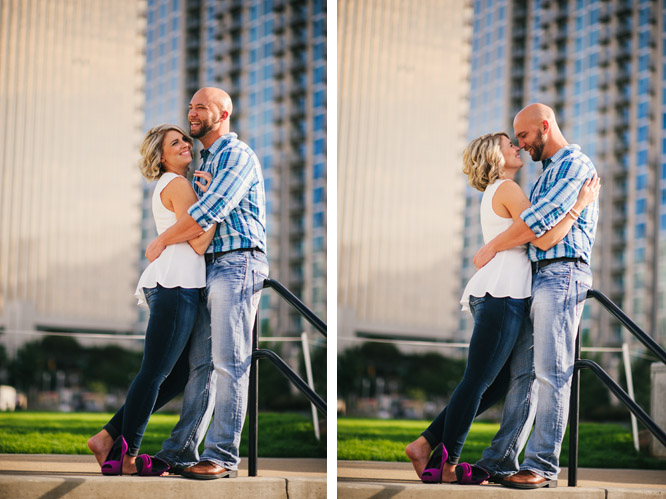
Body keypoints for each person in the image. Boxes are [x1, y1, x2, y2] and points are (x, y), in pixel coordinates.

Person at [405, 131, 599, 485]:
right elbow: (542, 236)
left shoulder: (500, 190)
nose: (518, 146)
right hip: (503, 293)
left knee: (494, 383)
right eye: (511, 143)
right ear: (496, 154)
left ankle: (425, 443)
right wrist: (579, 205)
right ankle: (448, 463)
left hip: (503, 292)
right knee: (478, 379)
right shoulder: (507, 188)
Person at [144, 87, 268, 480]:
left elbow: (206, 214)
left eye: (201, 106)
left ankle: (222, 455)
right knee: (202, 367)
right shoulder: (206, 160)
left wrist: (162, 240)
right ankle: (181, 450)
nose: (192, 112)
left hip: (238, 263)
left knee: (230, 363)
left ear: (224, 112)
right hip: (208, 267)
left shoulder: (236, 154)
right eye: (190, 106)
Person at [473, 103, 599, 489]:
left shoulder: (572, 166)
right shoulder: (545, 175)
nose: (521, 145)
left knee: (551, 373)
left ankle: (542, 465)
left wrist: (491, 247)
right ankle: (499, 460)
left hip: (563, 274)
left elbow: (538, 226)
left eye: (524, 136)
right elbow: (536, 231)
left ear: (544, 127)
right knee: (524, 375)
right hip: (537, 278)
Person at [87, 124, 215, 475]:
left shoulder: (171, 185)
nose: (185, 144)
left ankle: (106, 436)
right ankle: (128, 456)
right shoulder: (178, 184)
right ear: (161, 156)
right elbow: (201, 240)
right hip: (176, 285)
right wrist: (214, 203)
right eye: (176, 142)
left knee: (174, 376)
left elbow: (189, 233)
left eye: (185, 139)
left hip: (176, 285)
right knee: (155, 372)